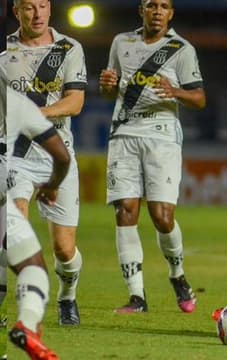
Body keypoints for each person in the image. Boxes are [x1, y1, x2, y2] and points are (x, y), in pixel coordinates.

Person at [98, 0, 206, 313]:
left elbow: (199, 98)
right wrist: (107, 86)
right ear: (141, 11)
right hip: (124, 134)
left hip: (162, 137)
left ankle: (177, 275)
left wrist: (177, 92)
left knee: (162, 216)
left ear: (171, 13)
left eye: (164, 6)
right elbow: (109, 91)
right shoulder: (122, 42)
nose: (157, 11)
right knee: (125, 210)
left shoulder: (181, 49)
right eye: (151, 5)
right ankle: (137, 297)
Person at [4, 0, 87, 326]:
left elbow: (76, 102)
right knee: (11, 233)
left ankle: (68, 295)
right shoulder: (5, 54)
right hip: (15, 158)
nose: (36, 14)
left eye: (42, 6)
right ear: (16, 11)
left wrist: (37, 115)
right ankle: (22, 305)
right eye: (28, 7)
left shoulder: (69, 49)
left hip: (57, 156)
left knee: (65, 251)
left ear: (50, 8)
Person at [1, 73, 71, 360]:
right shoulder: (17, 102)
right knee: (33, 268)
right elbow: (63, 157)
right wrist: (52, 185)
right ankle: (27, 325)